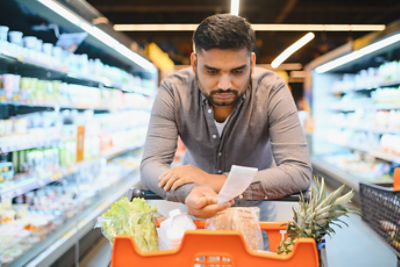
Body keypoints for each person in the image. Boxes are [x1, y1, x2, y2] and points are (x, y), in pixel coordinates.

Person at [140, 14, 312, 219]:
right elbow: (151, 165)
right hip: (198, 208)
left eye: (238, 71)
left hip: (256, 214)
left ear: (252, 63)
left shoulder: (272, 90)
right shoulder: (174, 90)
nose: (224, 85)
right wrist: (190, 191)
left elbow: (299, 171)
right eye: (212, 71)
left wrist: (214, 181)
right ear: (194, 63)